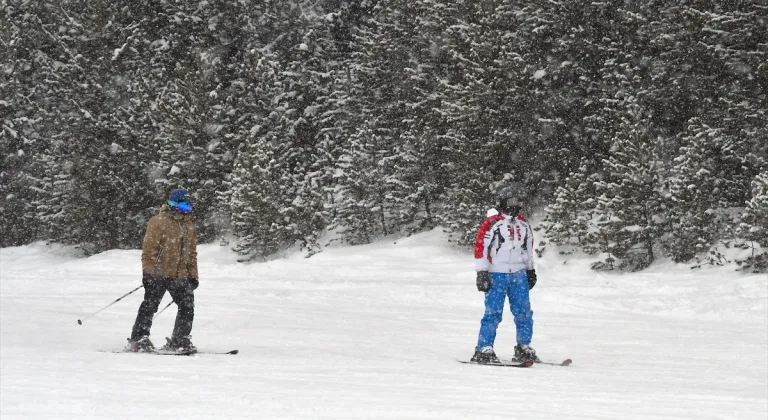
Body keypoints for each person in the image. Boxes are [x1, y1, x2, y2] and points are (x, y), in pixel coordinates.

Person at [126, 188, 199, 353]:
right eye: (185, 206)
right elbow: (148, 250)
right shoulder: (158, 222)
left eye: (189, 206)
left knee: (187, 305)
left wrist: (193, 275)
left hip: (180, 275)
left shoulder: (189, 225)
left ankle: (180, 339)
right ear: (174, 204)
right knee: (150, 306)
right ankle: (138, 339)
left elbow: (192, 254)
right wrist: (148, 274)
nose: (188, 209)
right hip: (158, 273)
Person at [470, 187, 539, 363]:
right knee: (493, 312)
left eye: (518, 202)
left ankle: (523, 346)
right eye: (511, 202)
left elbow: (528, 249)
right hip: (496, 273)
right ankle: (484, 348)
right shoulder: (492, 223)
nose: (515, 207)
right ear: (503, 203)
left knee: (524, 311)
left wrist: (530, 269)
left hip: (518, 273)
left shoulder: (523, 225)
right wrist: (482, 272)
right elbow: (481, 248)